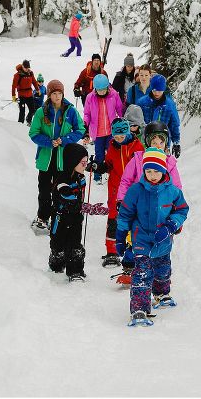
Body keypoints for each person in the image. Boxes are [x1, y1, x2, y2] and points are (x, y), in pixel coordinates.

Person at [116, 147, 189, 325]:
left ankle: (161, 293)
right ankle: (139, 309)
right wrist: (120, 236)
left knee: (163, 270)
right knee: (142, 273)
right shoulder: (135, 190)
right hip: (141, 238)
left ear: (164, 170)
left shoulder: (172, 191)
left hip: (163, 239)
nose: (152, 175)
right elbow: (125, 214)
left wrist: (171, 225)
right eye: (148, 171)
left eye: (156, 171)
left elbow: (182, 210)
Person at [115, 120, 182, 281]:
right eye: (154, 142)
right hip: (139, 208)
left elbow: (176, 188)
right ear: (147, 142)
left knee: (160, 243)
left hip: (161, 210)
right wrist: (121, 200)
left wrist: (175, 215)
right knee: (135, 238)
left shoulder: (169, 163)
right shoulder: (138, 159)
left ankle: (160, 274)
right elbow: (126, 181)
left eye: (161, 142)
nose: (158, 145)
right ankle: (131, 268)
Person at [28, 80, 85, 233]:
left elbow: (80, 129)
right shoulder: (41, 112)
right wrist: (48, 142)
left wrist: (65, 140)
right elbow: (33, 133)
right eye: (54, 93)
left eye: (60, 93)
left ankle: (59, 218)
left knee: (60, 190)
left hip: (63, 159)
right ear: (49, 95)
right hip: (46, 159)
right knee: (44, 190)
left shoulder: (70, 111)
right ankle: (43, 218)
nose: (57, 96)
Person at [88, 118, 144, 267]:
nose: (119, 139)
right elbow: (108, 164)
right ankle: (111, 251)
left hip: (133, 189)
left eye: (122, 136)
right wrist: (99, 167)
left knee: (134, 218)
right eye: (116, 136)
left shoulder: (137, 147)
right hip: (115, 187)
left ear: (127, 132)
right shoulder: (112, 146)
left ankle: (135, 250)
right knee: (113, 217)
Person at [49, 142, 90, 281]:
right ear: (72, 162)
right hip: (61, 219)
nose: (85, 165)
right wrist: (81, 206)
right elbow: (67, 196)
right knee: (58, 244)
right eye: (82, 163)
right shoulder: (62, 181)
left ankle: (75, 271)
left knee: (75, 245)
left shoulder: (81, 177)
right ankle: (56, 264)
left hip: (76, 218)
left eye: (86, 162)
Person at [82, 74, 125, 184]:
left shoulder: (114, 95)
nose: (101, 92)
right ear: (95, 89)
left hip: (111, 131)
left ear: (108, 87)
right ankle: (97, 175)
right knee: (99, 154)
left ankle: (113, 173)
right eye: (99, 90)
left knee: (112, 153)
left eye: (104, 89)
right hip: (98, 132)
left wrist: (123, 121)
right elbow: (87, 113)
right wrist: (85, 123)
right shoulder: (90, 98)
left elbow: (120, 109)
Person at [137, 74, 182, 158]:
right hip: (145, 142)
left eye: (159, 90)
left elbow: (174, 125)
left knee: (162, 166)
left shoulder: (169, 105)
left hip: (163, 144)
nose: (157, 93)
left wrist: (176, 142)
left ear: (163, 89)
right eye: (154, 90)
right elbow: (136, 122)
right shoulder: (142, 103)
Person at [12, 60, 40, 124]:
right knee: (22, 112)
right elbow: (13, 86)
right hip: (21, 96)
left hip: (29, 95)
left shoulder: (30, 73)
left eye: (28, 68)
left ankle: (28, 120)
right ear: (22, 66)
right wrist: (13, 96)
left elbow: (34, 82)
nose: (27, 69)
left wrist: (38, 89)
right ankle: (20, 124)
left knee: (32, 110)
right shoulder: (17, 75)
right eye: (26, 68)